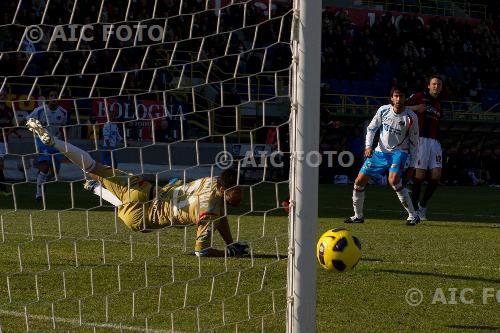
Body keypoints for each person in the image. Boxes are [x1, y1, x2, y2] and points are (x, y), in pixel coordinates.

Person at [26, 117, 249, 257]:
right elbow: (201, 251)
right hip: (143, 217)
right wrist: (227, 252)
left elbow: (222, 215)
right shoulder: (209, 210)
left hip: (147, 189)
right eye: (239, 191)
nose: (242, 195)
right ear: (225, 190)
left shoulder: (210, 181)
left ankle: (56, 143)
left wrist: (232, 242)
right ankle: (97, 189)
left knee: (92, 165)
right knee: (121, 206)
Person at [344, 86, 420, 226]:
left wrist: (413, 165)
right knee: (359, 181)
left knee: (393, 180)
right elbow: (371, 129)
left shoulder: (411, 117)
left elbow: (415, 144)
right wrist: (368, 146)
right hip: (379, 152)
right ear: (391, 98)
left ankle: (413, 215)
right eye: (396, 96)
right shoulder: (383, 110)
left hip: (399, 152)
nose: (398, 99)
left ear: (405, 98)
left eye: (401, 96)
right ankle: (358, 216)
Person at [405, 75, 443, 220]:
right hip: (421, 139)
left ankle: (422, 206)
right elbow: (399, 106)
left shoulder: (439, 103)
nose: (436, 86)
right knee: (419, 176)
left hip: (435, 142)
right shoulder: (419, 96)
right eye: (434, 84)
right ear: (428, 85)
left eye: (439, 84)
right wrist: (415, 108)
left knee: (436, 176)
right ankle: (414, 211)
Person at [27, 88, 69, 200]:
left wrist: (64, 143)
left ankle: (41, 179)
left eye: (56, 95)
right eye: (51, 95)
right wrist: (39, 131)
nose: (54, 97)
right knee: (45, 167)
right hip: (41, 140)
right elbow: (28, 120)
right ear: (48, 98)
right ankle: (39, 194)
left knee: (55, 172)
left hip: (55, 142)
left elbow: (64, 128)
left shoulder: (64, 112)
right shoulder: (39, 110)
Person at [0, 89, 21, 196]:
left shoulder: (9, 110)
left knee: (0, 165)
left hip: (3, 141)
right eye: (1, 95)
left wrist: (15, 133)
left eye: (4, 95)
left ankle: (3, 189)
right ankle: (3, 189)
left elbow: (13, 124)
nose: (2, 96)